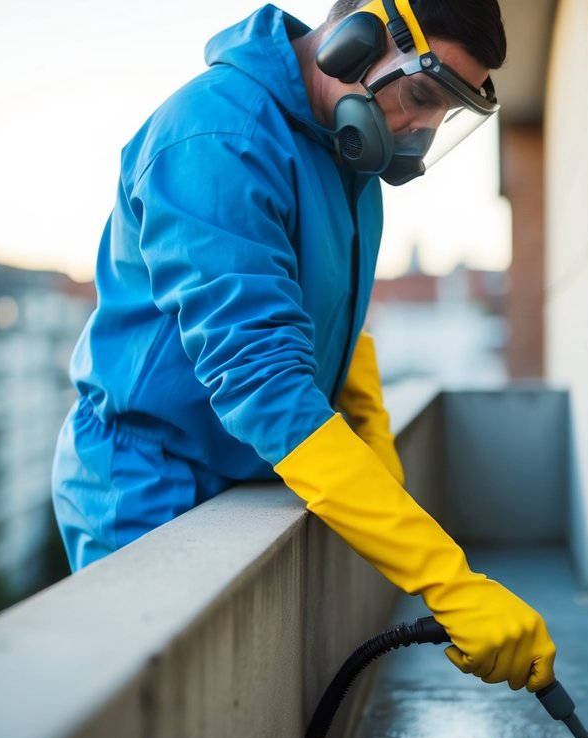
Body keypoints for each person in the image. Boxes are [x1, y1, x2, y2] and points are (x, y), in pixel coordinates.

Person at [51, 0, 556, 692]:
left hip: (244, 470)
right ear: (356, 41)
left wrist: (372, 439)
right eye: (418, 96)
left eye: (445, 113)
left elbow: (329, 311)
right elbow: (263, 383)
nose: (419, 129)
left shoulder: (344, 150)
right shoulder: (217, 138)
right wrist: (447, 579)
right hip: (152, 484)